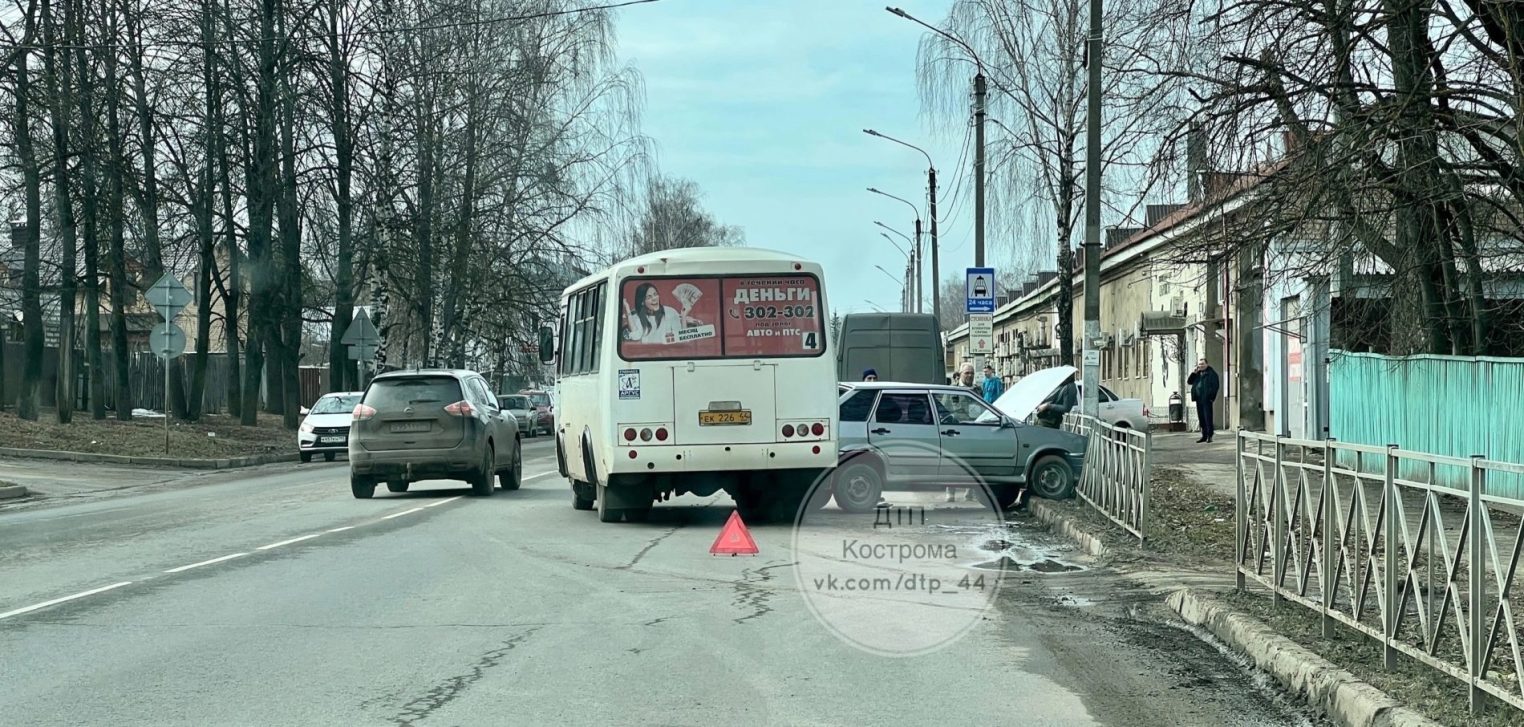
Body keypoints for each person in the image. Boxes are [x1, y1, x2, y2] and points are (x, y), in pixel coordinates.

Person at [623, 283, 701, 344]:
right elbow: (635, 336)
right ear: (642, 302)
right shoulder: (638, 317)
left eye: (655, 294)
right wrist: (627, 308)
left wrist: (684, 316)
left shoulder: (670, 312)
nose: (654, 299)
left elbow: (683, 340)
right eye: (649, 297)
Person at [1187, 358, 1220, 443]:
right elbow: (1189, 382)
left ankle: (1210, 435)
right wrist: (1194, 373)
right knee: (1201, 418)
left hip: (1207, 399)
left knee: (1207, 417)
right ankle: (1204, 435)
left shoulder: (1211, 374)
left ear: (1207, 364)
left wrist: (1211, 397)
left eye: (1202, 364)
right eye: (1199, 364)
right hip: (1199, 399)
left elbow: (1215, 386)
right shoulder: (1197, 374)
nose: (1201, 366)